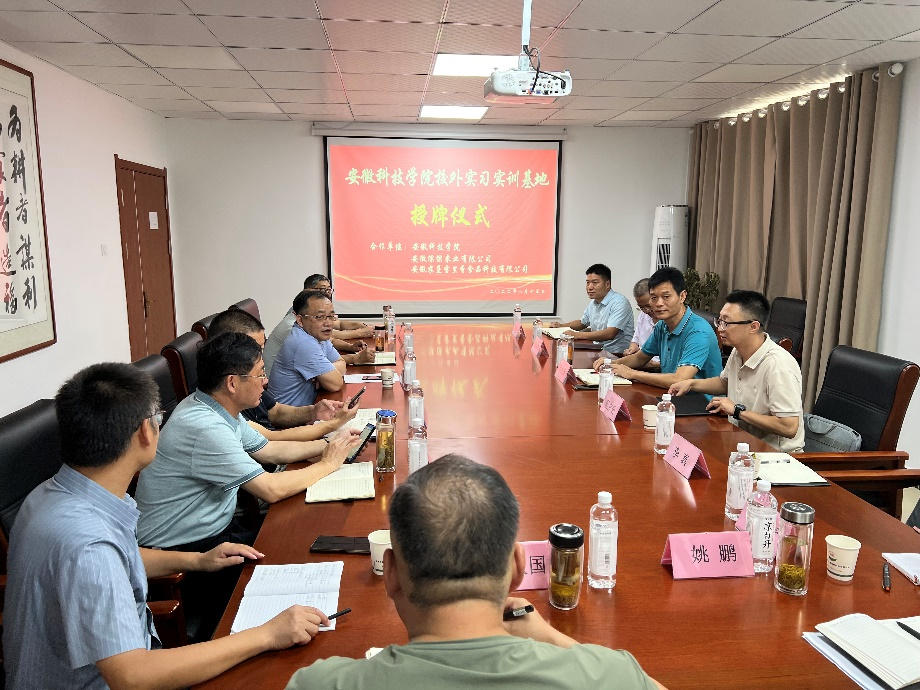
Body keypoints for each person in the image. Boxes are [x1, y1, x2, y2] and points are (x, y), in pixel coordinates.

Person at [2, 363, 330, 690]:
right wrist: (268, 634)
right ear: (145, 432)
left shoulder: (50, 497)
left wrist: (197, 560)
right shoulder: (89, 544)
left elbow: (118, 558)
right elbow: (134, 677)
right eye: (158, 418)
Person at [284, 455, 666, 690]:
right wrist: (552, 638)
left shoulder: (319, 684)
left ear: (392, 574)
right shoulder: (610, 678)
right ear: (517, 567)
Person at [136, 332, 362, 551]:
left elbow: (270, 449)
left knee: (314, 530)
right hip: (186, 548)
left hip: (214, 529)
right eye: (260, 374)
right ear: (232, 383)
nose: (265, 381)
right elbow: (270, 489)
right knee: (308, 538)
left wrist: (331, 445)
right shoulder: (205, 427)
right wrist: (328, 463)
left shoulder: (213, 405)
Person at [668, 290, 805, 452]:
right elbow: (725, 382)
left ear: (753, 327)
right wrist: (691, 384)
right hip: (740, 441)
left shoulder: (778, 366)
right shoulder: (738, 350)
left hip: (775, 456)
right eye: (719, 321)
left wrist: (737, 411)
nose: (720, 328)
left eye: (727, 323)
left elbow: (789, 427)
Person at [208, 308, 358, 440]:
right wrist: (333, 428)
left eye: (261, 349)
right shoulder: (220, 403)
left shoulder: (247, 378)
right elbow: (271, 442)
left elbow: (275, 412)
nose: (265, 380)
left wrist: (314, 412)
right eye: (254, 350)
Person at [593, 267, 722, 389]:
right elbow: (640, 358)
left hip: (700, 401)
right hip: (669, 393)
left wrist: (632, 374)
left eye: (666, 297)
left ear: (682, 296)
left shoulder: (698, 331)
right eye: (654, 298)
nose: (659, 303)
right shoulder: (663, 325)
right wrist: (611, 363)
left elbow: (680, 379)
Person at [268, 289, 373, 407]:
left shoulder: (317, 335)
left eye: (331, 316)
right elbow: (336, 384)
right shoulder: (303, 343)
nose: (328, 323)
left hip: (308, 407)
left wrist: (322, 374)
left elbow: (341, 363)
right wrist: (326, 373)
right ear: (300, 320)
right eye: (320, 317)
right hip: (289, 416)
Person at [264, 275, 376, 375]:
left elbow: (330, 340)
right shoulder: (295, 329)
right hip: (273, 384)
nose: (326, 293)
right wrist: (354, 358)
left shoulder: (309, 315)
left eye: (328, 289)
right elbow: (321, 362)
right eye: (322, 290)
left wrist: (351, 347)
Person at [550, 263, 634, 353]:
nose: (590, 287)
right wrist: (562, 326)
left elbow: (610, 333)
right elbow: (582, 323)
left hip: (616, 354)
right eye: (588, 283)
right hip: (596, 349)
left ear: (607, 284)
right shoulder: (593, 303)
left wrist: (577, 335)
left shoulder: (619, 303)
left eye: (595, 283)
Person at [622, 278, 659, 367]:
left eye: (648, 306)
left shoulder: (668, 321)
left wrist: (654, 364)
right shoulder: (643, 315)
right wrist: (631, 350)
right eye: (641, 307)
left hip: (659, 368)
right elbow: (635, 341)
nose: (646, 310)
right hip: (641, 363)